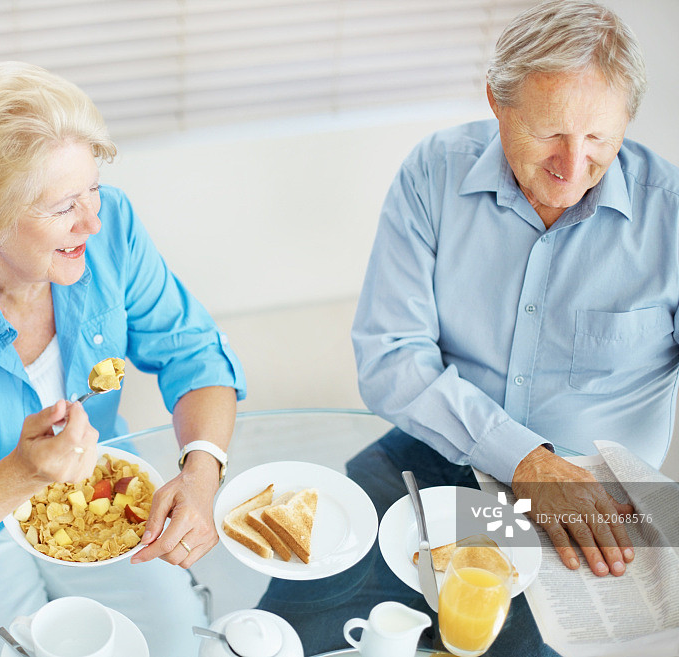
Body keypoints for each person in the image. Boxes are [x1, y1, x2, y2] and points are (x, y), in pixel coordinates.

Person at [259, 1, 679, 654]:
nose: (572, 166)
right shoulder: (434, 172)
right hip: (437, 453)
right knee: (286, 629)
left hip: (589, 505)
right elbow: (390, 357)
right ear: (497, 102)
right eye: (550, 135)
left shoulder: (671, 216)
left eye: (598, 138)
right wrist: (523, 460)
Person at [0, 61, 246, 657]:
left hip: (95, 502)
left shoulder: (112, 229)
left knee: (172, 641)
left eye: (93, 189)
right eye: (63, 206)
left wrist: (202, 471)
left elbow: (195, 353)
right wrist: (24, 473)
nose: (93, 221)